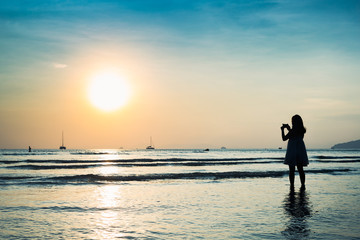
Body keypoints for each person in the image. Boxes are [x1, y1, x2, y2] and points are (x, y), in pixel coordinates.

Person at [281, 114, 309, 189]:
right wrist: (289, 129)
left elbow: (284, 138)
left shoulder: (293, 131)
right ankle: (303, 185)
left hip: (292, 150)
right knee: (300, 169)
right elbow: (294, 134)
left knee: (291, 170)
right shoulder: (302, 130)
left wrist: (282, 130)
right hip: (300, 150)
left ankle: (292, 185)